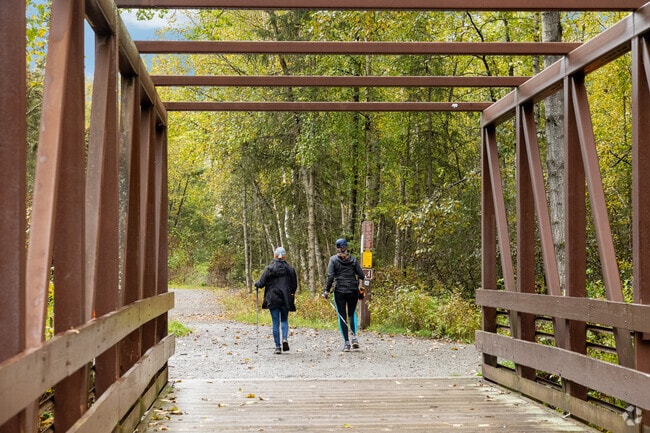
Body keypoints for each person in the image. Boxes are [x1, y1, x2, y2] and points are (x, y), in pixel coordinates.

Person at [322, 238, 365, 352]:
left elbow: (330, 276)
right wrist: (361, 289)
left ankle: (346, 343)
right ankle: (354, 337)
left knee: (342, 316)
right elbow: (362, 275)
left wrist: (326, 291)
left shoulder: (333, 260)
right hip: (353, 290)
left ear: (337, 248)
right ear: (346, 248)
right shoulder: (353, 260)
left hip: (340, 291)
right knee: (352, 314)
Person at [254, 246, 298, 354]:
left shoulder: (269, 269)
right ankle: (285, 339)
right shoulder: (290, 270)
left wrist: (256, 284)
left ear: (275, 255)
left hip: (272, 297)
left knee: (275, 322)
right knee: (284, 319)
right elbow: (294, 285)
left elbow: (261, 283)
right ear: (284, 256)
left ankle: (278, 347)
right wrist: (291, 293)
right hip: (286, 297)